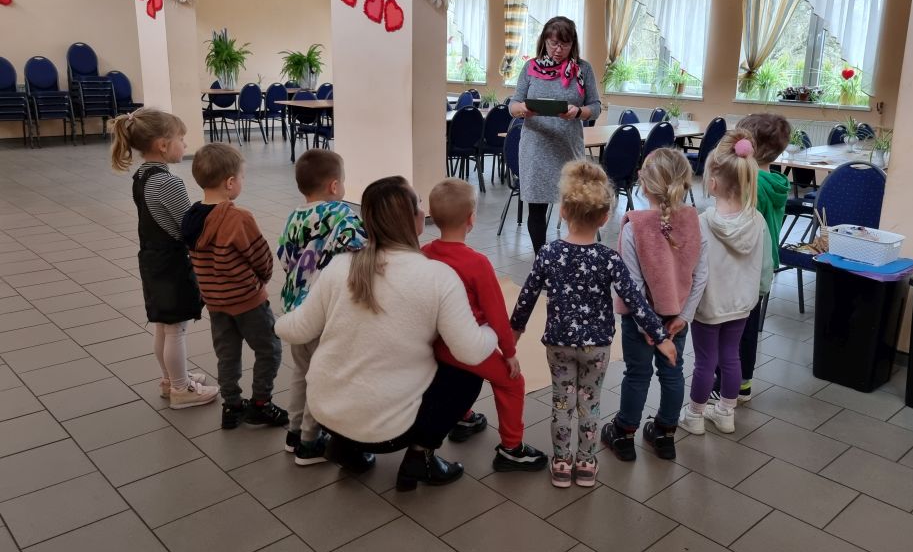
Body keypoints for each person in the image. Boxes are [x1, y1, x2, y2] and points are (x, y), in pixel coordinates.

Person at [274, 176, 498, 491]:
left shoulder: (340, 266)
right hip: (391, 431)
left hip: (326, 412)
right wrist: (492, 330)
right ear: (411, 219)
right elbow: (471, 351)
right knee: (467, 374)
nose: (424, 210)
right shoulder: (437, 276)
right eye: (419, 203)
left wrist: (276, 320)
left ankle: (345, 447)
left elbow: (295, 329)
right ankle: (421, 456)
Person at [510, 160, 677, 489]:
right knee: (589, 402)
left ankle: (560, 463)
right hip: (597, 348)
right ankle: (585, 464)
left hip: (558, 346)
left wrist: (511, 337)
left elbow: (525, 299)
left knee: (561, 402)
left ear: (562, 212)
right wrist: (660, 337)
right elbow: (635, 300)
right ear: (604, 217)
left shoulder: (548, 253)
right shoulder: (609, 258)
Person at [422, 179, 547, 472]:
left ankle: (463, 416)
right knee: (512, 382)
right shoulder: (477, 263)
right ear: (472, 220)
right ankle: (512, 449)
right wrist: (510, 351)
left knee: (454, 376)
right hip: (467, 344)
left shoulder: (425, 252)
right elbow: (496, 315)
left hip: (435, 343)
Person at [602, 148, 708, 461]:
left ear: (644, 185)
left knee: (637, 375)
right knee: (673, 375)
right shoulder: (695, 221)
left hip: (640, 322)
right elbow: (700, 277)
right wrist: (684, 317)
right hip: (676, 318)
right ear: (685, 183)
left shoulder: (634, 225)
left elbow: (631, 286)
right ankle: (665, 434)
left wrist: (647, 326)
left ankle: (624, 433)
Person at [110, 109, 218, 410]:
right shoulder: (168, 183)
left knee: (162, 326)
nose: (184, 145)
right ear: (162, 144)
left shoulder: (142, 176)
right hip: (171, 263)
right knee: (176, 329)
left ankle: (170, 379)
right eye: (181, 139)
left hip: (151, 258)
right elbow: (189, 225)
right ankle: (182, 390)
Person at [181, 143, 287, 430]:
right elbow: (262, 258)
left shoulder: (191, 218)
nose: (242, 182)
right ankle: (261, 403)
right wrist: (260, 282)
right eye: (241, 177)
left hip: (215, 303)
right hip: (248, 302)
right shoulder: (239, 218)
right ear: (230, 183)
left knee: (227, 355)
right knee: (269, 349)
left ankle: (232, 405)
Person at [277, 149, 366, 465]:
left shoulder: (294, 216)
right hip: (324, 313)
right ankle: (310, 443)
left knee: (302, 372)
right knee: (323, 377)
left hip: (294, 310)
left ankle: (294, 430)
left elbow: (284, 257)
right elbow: (363, 251)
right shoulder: (343, 216)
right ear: (334, 186)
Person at [684, 131, 773, 436]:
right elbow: (766, 269)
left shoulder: (702, 222)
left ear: (711, 183)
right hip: (742, 305)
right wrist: (755, 296)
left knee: (705, 362)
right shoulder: (758, 221)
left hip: (709, 306)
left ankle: (695, 415)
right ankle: (725, 413)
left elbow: (691, 268)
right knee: (731, 357)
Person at [712, 114, 791, 402]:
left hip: (741, 260)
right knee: (748, 324)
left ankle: (723, 383)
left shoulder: (750, 182)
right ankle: (743, 381)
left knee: (728, 324)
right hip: (762, 264)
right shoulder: (777, 182)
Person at [507, 16, 602, 254]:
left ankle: (573, 255)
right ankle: (542, 260)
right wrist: (522, 109)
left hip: (568, 149)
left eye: (564, 44)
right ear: (544, 42)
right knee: (537, 209)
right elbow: (513, 103)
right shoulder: (530, 68)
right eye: (553, 44)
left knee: (576, 206)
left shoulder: (583, 69)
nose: (558, 50)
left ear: (573, 44)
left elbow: (595, 106)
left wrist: (579, 111)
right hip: (535, 149)